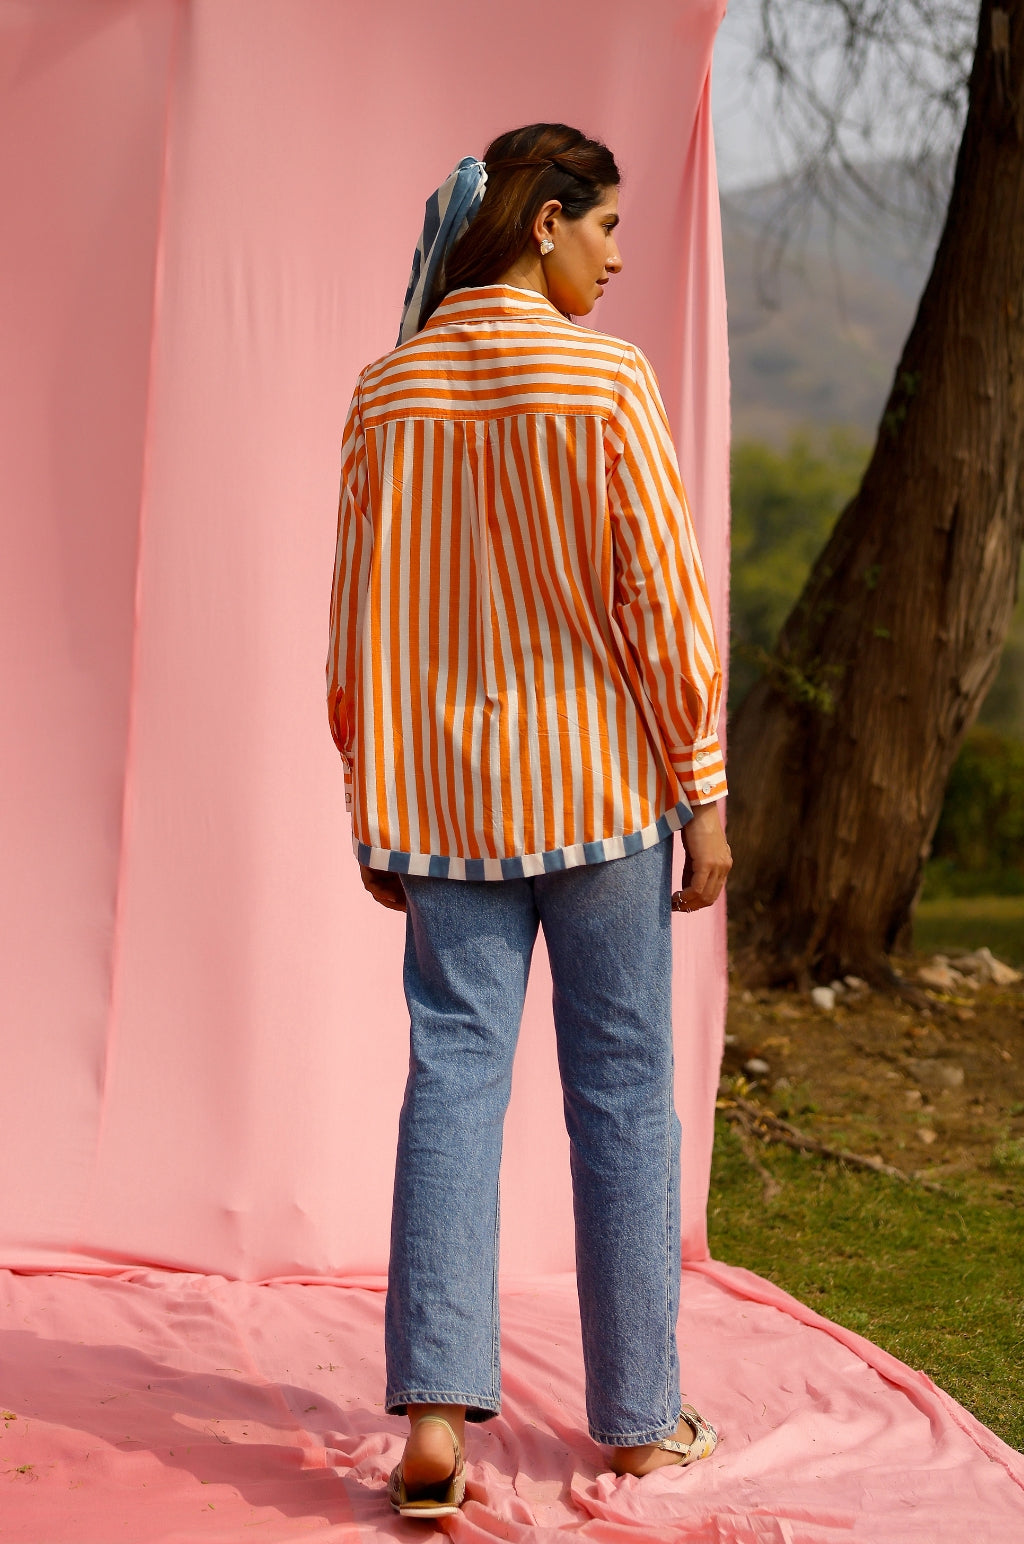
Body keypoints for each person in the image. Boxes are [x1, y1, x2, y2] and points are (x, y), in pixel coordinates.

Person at [327, 122, 731, 1519]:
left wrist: (370, 806)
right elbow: (666, 615)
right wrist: (708, 798)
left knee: (453, 1083)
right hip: (604, 797)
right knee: (622, 1095)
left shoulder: (388, 393)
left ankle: (436, 1416)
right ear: (547, 220)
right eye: (607, 228)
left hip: (440, 809)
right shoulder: (608, 382)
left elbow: (356, 632)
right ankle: (634, 1417)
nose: (618, 258)